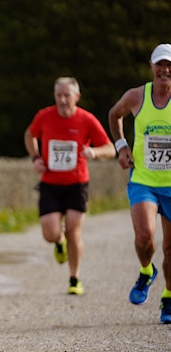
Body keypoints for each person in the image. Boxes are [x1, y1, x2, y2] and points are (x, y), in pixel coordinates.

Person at [24, 77, 116, 295]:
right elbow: (30, 135)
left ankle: (74, 279)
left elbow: (110, 149)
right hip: (50, 183)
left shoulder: (87, 119)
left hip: (77, 183)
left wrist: (94, 152)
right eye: (58, 95)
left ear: (77, 97)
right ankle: (59, 240)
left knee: (74, 230)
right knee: (50, 233)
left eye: (67, 95)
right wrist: (35, 157)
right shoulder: (44, 116)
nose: (62, 100)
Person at [108, 43, 171, 324]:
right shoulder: (137, 96)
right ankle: (147, 271)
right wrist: (121, 146)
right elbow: (114, 114)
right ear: (151, 66)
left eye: (169, 65)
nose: (165, 70)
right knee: (145, 236)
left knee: (170, 250)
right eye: (160, 64)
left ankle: (168, 297)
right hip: (143, 180)